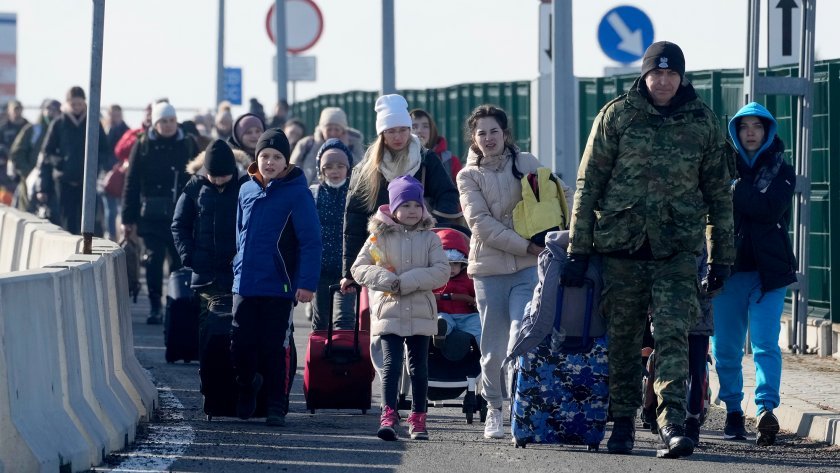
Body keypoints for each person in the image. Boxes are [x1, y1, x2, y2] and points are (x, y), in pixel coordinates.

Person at [563, 41, 734, 458]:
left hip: (676, 251)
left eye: (671, 74)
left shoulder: (703, 122)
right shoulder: (616, 115)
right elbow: (589, 185)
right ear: (644, 75)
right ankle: (621, 423)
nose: (663, 81)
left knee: (674, 333)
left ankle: (673, 423)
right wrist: (577, 249)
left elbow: (719, 195)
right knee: (623, 341)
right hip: (622, 249)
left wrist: (721, 256)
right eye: (656, 74)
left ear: (682, 77)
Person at [457, 104, 572, 440]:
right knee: (492, 348)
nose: (488, 138)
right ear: (474, 139)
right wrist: (526, 245)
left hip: (527, 269)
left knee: (520, 337)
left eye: (494, 131)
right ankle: (494, 407)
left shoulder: (527, 163)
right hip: (489, 271)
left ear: (505, 134)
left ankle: (521, 408)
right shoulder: (468, 176)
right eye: (481, 133)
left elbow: (561, 196)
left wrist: (573, 225)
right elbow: (481, 225)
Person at [711, 102, 796, 447]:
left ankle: (765, 410)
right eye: (743, 127)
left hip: (768, 274)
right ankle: (733, 409)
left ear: (767, 131)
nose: (750, 132)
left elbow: (769, 208)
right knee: (727, 348)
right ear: (735, 132)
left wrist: (734, 190)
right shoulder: (717, 169)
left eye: (757, 127)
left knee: (765, 344)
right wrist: (741, 192)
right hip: (727, 272)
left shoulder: (782, 170)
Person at [231, 128, 321, 427]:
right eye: (265, 156)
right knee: (240, 345)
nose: (270, 162)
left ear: (286, 161)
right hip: (245, 282)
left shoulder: (298, 193)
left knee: (274, 347)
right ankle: (245, 386)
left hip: (279, 285)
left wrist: (306, 283)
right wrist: (237, 267)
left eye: (277, 157)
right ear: (257, 158)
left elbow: (310, 241)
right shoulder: (246, 189)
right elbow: (240, 233)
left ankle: (275, 405)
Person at [351, 175, 449, 441]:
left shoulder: (430, 238)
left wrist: (406, 282)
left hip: (419, 310)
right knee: (391, 365)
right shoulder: (378, 237)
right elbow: (359, 268)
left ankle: (418, 418)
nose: (412, 211)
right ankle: (389, 414)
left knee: (419, 367)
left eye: (416, 205)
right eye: (405, 205)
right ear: (393, 208)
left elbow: (442, 271)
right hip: (389, 310)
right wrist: (386, 280)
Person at [340, 94, 462, 296]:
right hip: (382, 258)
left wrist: (431, 227)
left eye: (403, 130)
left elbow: (448, 195)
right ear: (382, 134)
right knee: (383, 319)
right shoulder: (367, 169)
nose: (398, 137)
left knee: (420, 314)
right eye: (391, 131)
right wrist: (350, 272)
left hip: (420, 254)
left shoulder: (426, 160)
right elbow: (354, 220)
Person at [122, 101, 197, 324]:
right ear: (155, 123)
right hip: (151, 216)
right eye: (163, 121)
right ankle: (155, 305)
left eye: (171, 120)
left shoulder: (188, 143)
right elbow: (131, 182)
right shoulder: (143, 145)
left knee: (178, 262)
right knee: (153, 261)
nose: (168, 125)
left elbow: (199, 178)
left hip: (181, 214)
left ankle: (176, 305)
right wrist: (128, 218)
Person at [171, 139, 247, 328]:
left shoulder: (245, 187)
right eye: (214, 176)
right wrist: (188, 255)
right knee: (208, 323)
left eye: (224, 176)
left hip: (238, 272)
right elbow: (180, 225)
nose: (218, 181)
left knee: (237, 324)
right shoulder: (194, 188)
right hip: (206, 273)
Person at [35, 86, 112, 234]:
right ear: (67, 104)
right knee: (67, 221)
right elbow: (46, 152)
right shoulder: (59, 124)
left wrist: (95, 164)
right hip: (64, 181)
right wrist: (60, 163)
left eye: (79, 104)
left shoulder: (93, 123)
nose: (77, 107)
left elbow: (104, 150)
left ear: (84, 103)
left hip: (87, 182)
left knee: (89, 223)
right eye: (73, 104)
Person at [308, 138, 355, 331]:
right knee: (321, 320)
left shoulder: (355, 193)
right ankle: (320, 358)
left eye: (340, 166)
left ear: (348, 168)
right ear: (321, 170)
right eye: (329, 167)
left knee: (344, 319)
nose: (335, 171)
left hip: (347, 268)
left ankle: (344, 358)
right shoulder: (314, 194)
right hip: (320, 268)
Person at [290, 106, 365, 185]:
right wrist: (318, 146)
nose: (332, 133)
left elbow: (360, 172)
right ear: (322, 129)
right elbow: (291, 172)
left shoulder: (353, 145)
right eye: (329, 129)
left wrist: (345, 149)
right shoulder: (306, 144)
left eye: (337, 129)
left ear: (343, 131)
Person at [432, 227, 481, 346]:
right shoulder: (433, 279)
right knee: (440, 320)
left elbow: (476, 294)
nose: (452, 269)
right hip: (443, 312)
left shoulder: (468, 279)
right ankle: (439, 334)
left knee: (478, 324)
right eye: (447, 264)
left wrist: (476, 301)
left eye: (455, 264)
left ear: (462, 265)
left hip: (465, 315)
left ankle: (486, 352)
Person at [9, 98, 60, 211]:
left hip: (55, 184)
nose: (51, 113)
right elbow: (16, 153)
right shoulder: (33, 131)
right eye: (48, 109)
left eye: (55, 110)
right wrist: (29, 172)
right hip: (29, 183)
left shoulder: (62, 132)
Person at [410, 109, 461, 184]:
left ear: (432, 130)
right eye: (414, 127)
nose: (419, 130)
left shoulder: (450, 161)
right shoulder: (398, 159)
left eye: (425, 126)